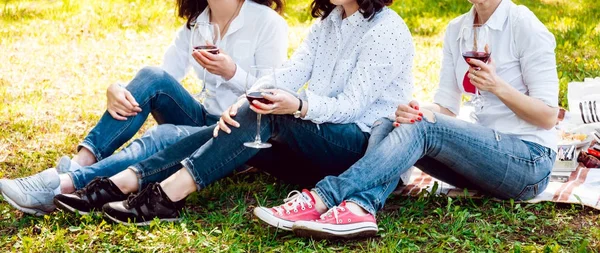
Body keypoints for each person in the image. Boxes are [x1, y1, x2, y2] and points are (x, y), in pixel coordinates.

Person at [53, 0, 415, 226]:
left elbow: (352, 107)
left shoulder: (387, 30)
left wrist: (299, 106)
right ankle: (125, 182)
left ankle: (165, 194)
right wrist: (242, 103)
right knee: (244, 114)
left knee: (267, 113)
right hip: (316, 150)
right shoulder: (326, 25)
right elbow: (288, 75)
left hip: (361, 151)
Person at [255, 0, 560, 239]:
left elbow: (548, 117)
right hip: (480, 161)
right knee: (391, 119)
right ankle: (360, 209)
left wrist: (498, 87)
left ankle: (325, 196)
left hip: (528, 162)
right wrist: (415, 112)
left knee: (422, 126)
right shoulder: (458, 29)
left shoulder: (525, 26)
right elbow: (447, 109)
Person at [0, 0, 288, 216]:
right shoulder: (198, 23)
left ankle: (63, 184)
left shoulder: (266, 22)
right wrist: (117, 88)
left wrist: (231, 71)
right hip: (204, 117)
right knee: (153, 76)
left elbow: (272, 94)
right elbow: (164, 75)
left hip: (240, 133)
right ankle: (82, 162)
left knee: (165, 136)